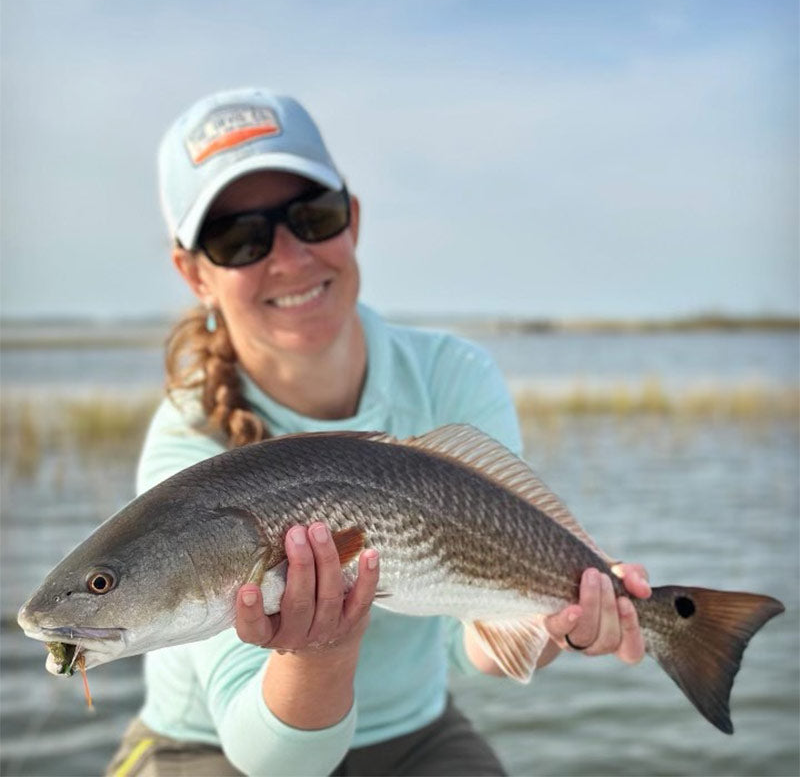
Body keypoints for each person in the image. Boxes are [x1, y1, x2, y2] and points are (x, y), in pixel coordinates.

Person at [106, 88, 651, 777]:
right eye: (237, 238)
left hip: (413, 734)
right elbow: (269, 757)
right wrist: (321, 652)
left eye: (313, 216)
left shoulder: (454, 375)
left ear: (353, 220)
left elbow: (471, 648)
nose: (291, 257)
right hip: (209, 747)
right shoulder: (187, 441)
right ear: (194, 274)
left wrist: (552, 620)